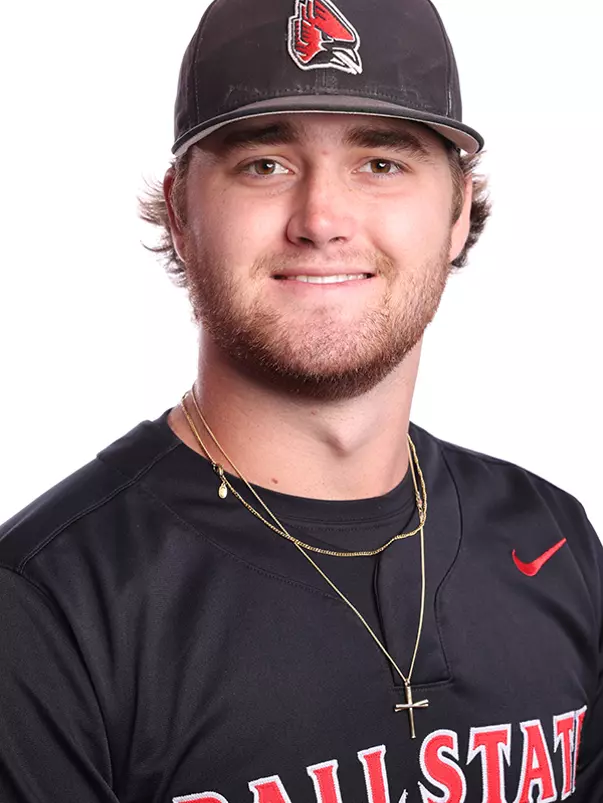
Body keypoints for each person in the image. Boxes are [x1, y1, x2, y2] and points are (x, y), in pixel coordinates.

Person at [0, 0, 601, 799]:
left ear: (457, 211)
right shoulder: (47, 609)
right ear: (181, 212)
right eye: (265, 164)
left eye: (381, 163)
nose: (321, 218)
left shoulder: (549, 535)